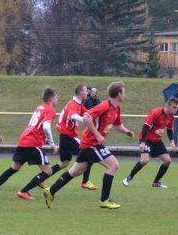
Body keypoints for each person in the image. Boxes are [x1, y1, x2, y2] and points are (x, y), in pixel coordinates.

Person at [43, 81, 134, 210]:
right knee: (113, 165)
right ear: (118, 94)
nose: (124, 95)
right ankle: (104, 200)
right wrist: (97, 134)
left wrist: (126, 131)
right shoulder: (104, 105)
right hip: (91, 143)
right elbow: (86, 117)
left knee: (75, 171)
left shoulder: (116, 109)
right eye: (123, 92)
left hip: (92, 143)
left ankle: (50, 191)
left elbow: (117, 125)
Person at [0, 87, 58, 200]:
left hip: (24, 140)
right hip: (32, 143)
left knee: (13, 168)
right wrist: (52, 144)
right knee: (48, 171)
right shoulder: (50, 109)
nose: (57, 100)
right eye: (56, 97)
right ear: (52, 99)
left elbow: (37, 126)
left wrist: (44, 139)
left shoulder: (40, 108)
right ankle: (24, 191)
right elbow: (46, 127)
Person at [122, 96, 178, 188]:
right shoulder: (156, 112)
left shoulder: (171, 117)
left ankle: (156, 182)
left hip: (157, 141)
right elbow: (145, 127)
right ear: (168, 106)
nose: (176, 109)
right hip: (147, 139)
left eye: (177, 107)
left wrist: (172, 141)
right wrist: (143, 142)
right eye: (174, 107)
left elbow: (169, 130)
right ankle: (129, 177)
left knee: (167, 161)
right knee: (144, 160)